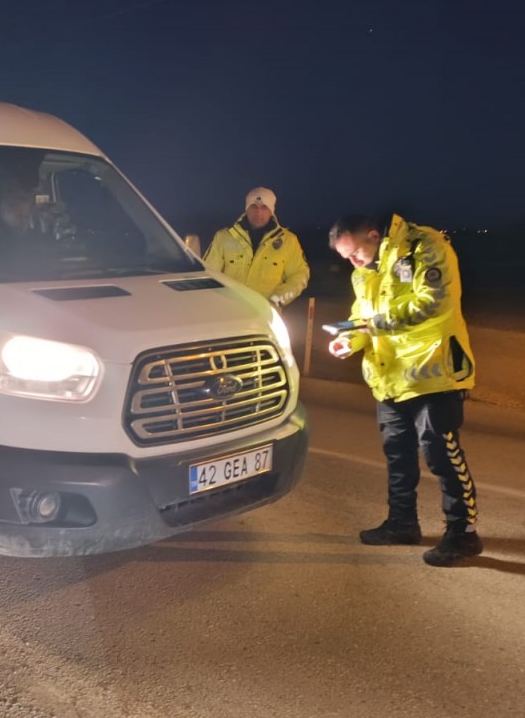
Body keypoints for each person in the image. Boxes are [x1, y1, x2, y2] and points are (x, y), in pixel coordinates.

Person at [327, 213, 482, 567]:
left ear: (372, 235)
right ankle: (402, 524)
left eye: (354, 253)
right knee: (398, 456)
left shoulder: (425, 246)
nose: (353, 263)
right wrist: (348, 341)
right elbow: (360, 317)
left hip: (434, 372)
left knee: (442, 455)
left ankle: (463, 534)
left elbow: (435, 302)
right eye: (346, 258)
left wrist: (375, 326)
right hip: (390, 377)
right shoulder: (362, 272)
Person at [203, 187, 309, 307]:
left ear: (271, 211)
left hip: (265, 314)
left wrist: (277, 300)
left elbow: (299, 276)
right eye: (254, 206)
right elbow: (207, 273)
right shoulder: (223, 237)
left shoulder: (288, 241)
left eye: (264, 207)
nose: (258, 213)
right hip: (228, 312)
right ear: (247, 209)